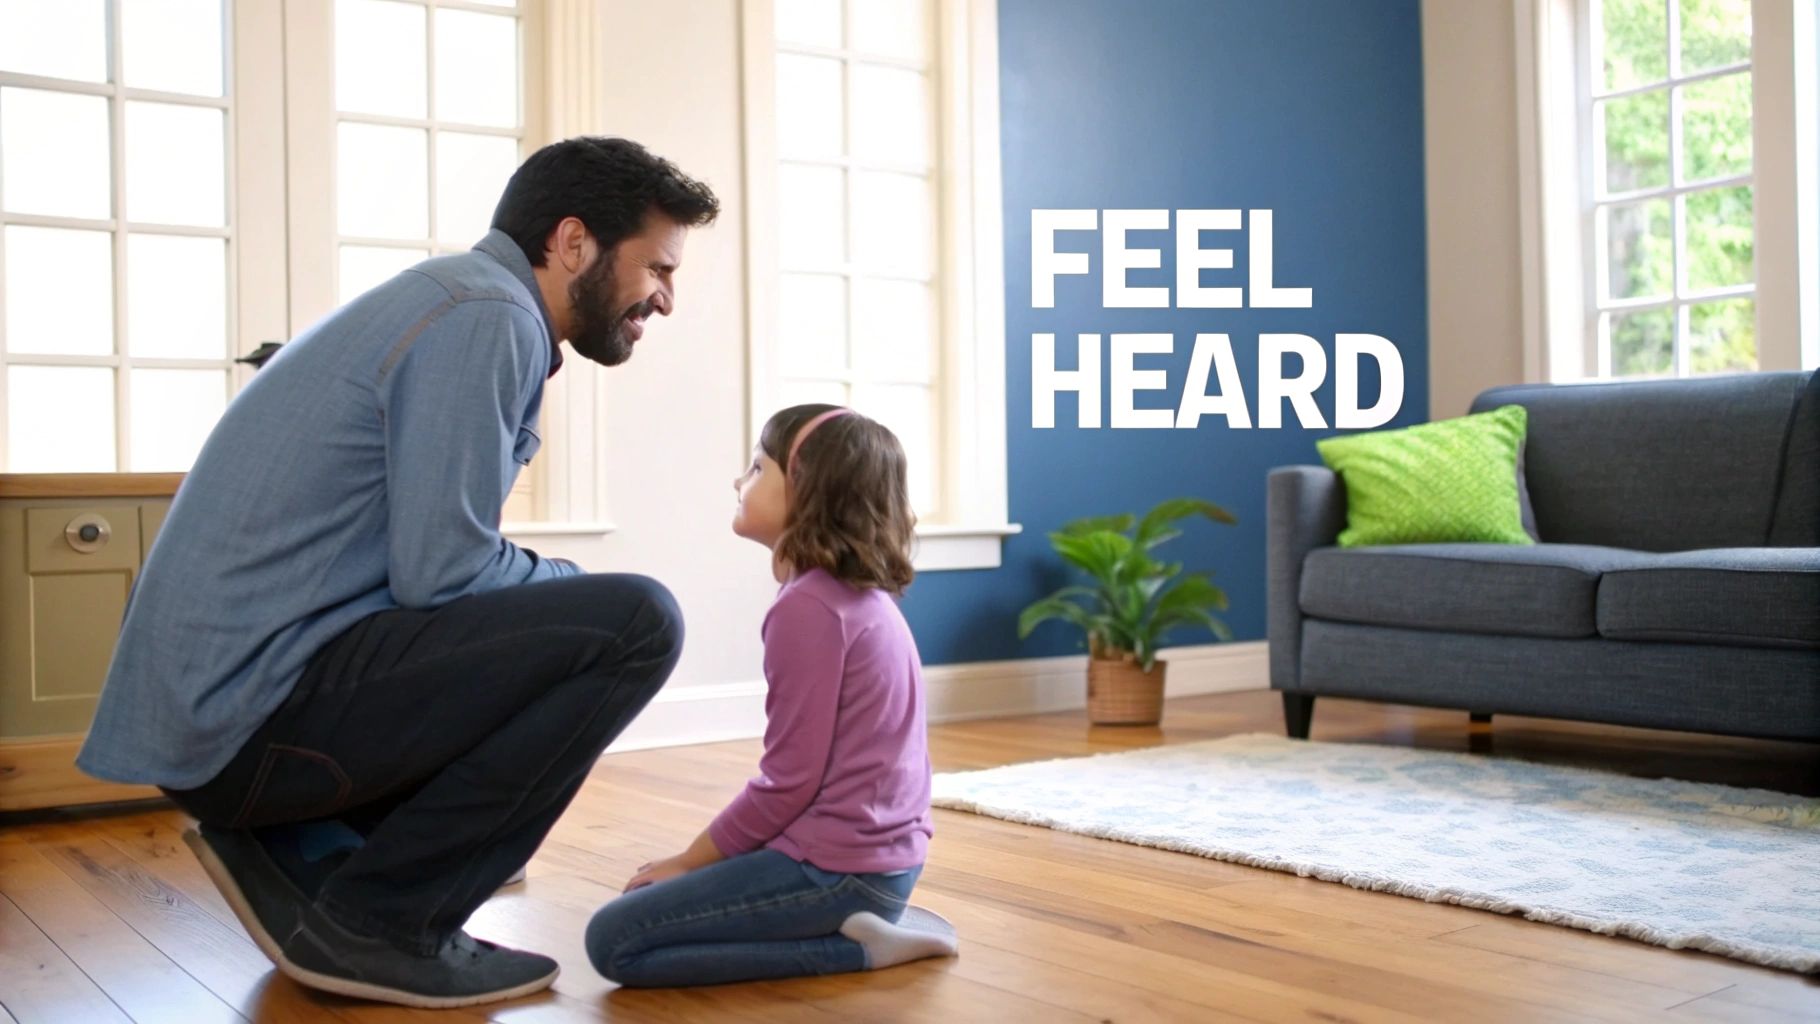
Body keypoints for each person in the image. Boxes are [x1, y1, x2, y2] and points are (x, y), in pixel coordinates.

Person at [75, 137, 720, 1008]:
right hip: (242, 728)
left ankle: (310, 850)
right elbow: (445, 574)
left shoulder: (461, 300)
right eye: (658, 267)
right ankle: (377, 921)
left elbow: (426, 574)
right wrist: (561, 578)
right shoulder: (484, 315)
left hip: (226, 720)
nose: (667, 299)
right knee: (638, 621)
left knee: (568, 617)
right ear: (574, 243)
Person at [583, 404, 959, 988]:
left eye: (758, 468)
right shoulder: (854, 597)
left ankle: (855, 950)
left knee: (614, 942)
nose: (740, 481)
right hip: (883, 866)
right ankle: (866, 924)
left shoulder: (808, 608)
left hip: (841, 873)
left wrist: (690, 860)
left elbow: (788, 780)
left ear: (808, 490)